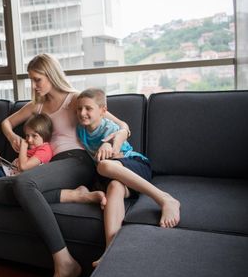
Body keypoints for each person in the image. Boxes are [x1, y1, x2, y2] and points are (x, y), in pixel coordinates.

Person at [0, 53, 130, 277]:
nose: (34, 86)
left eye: (37, 79)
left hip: (77, 161)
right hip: (49, 167)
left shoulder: (74, 99)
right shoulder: (38, 105)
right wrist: (12, 137)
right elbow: (6, 123)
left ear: (51, 75)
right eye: (31, 80)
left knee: (23, 184)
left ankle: (65, 264)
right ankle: (77, 195)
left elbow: (122, 125)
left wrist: (117, 138)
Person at [75, 88, 180, 267]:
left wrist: (110, 145)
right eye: (79, 109)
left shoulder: (109, 126)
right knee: (113, 187)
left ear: (102, 110)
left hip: (135, 165)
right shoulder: (81, 130)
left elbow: (118, 141)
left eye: (88, 108)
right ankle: (110, 251)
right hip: (116, 178)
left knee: (104, 165)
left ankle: (165, 199)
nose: (82, 113)